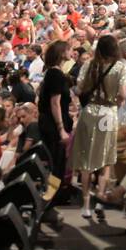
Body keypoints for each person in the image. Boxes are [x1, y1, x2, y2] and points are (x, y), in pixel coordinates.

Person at [73, 35, 126, 220]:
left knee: (87, 158)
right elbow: (122, 94)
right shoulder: (121, 67)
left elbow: (79, 89)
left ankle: (86, 204)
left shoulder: (89, 65)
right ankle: (100, 198)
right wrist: (115, 104)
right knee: (106, 158)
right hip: (108, 112)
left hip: (89, 111)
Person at [35, 39, 72, 181]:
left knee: (54, 161)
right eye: (68, 50)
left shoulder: (52, 72)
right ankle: (52, 196)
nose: (71, 52)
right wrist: (61, 129)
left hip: (48, 121)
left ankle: (51, 194)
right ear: (62, 53)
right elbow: (55, 103)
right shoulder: (56, 74)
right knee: (56, 162)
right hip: (53, 124)